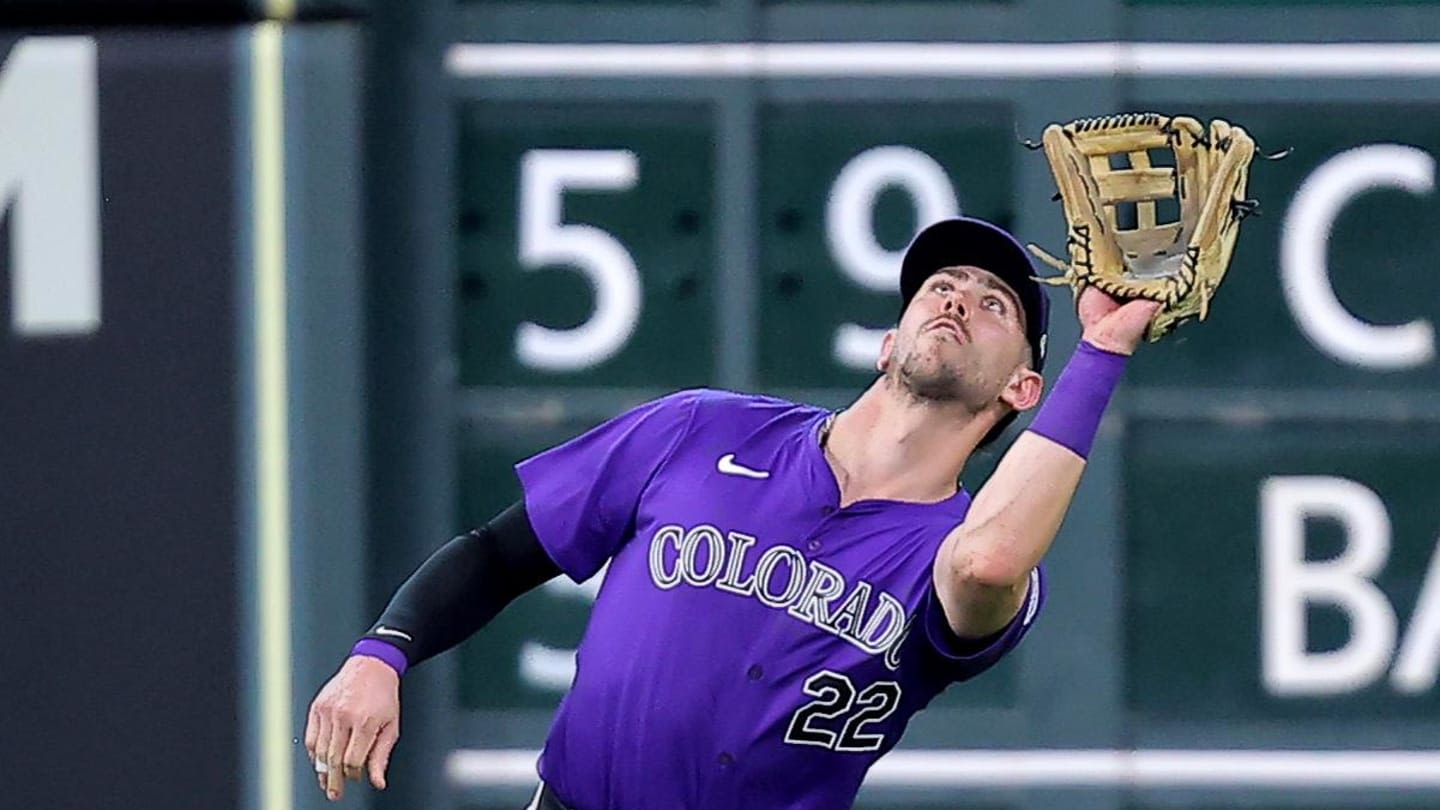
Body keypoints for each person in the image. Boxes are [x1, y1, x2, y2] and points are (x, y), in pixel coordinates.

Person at [304, 216, 1161, 809]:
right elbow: (498, 552)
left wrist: (1103, 353)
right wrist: (384, 652)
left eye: (994, 304)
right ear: (889, 341)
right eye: (941, 284)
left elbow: (988, 565)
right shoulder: (701, 428)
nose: (958, 300)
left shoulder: (952, 551)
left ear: (1024, 387)